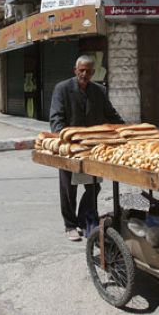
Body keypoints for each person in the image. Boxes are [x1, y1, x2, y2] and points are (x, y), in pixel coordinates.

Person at [50, 55, 123, 241]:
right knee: (68, 188)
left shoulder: (99, 91)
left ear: (93, 72)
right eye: (81, 70)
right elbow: (56, 119)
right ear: (75, 70)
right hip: (70, 146)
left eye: (88, 71)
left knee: (93, 186)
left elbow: (111, 114)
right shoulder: (62, 89)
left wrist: (125, 130)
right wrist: (65, 139)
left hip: (92, 148)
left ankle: (84, 219)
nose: (84, 74)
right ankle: (70, 225)